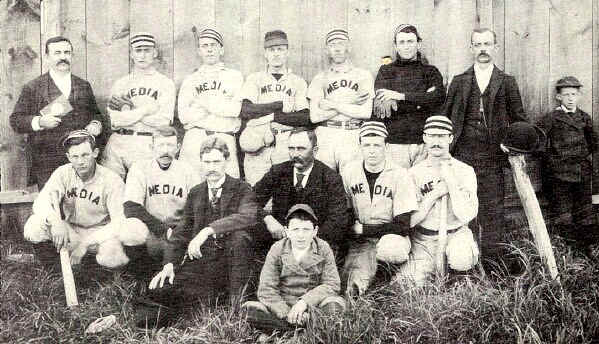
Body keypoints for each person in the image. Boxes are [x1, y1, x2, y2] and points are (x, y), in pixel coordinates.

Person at [135, 137, 257, 328]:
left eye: (216, 161)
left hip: (232, 262)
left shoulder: (242, 188)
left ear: (227, 161)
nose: (211, 167)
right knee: (162, 290)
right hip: (204, 262)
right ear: (201, 162)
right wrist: (169, 264)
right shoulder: (197, 192)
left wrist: (208, 230)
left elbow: (248, 216)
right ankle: (203, 301)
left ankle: (236, 303)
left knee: (240, 237)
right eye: (207, 162)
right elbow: (181, 232)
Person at [439, 28, 527, 270]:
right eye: (477, 44)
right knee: (463, 209)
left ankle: (492, 265)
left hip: (492, 157)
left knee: (492, 210)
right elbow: (445, 118)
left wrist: (509, 145)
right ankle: (463, 263)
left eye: (487, 44)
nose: (483, 49)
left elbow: (519, 120)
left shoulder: (507, 82)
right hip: (463, 156)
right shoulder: (459, 81)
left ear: (495, 47)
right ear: (471, 48)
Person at [23, 130, 127, 270]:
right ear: (68, 157)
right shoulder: (63, 172)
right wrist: (55, 221)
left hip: (98, 233)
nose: (80, 162)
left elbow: (119, 222)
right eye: (75, 156)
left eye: (85, 155)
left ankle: (90, 271)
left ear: (95, 153)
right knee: (33, 226)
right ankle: (56, 270)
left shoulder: (111, 179)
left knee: (113, 256)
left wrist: (85, 245)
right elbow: (41, 202)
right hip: (71, 231)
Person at [10, 36, 106, 188]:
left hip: (80, 158)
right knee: (52, 205)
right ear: (47, 57)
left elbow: (96, 114)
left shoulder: (83, 85)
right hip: (47, 159)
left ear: (72, 56)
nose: (63, 57)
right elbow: (16, 120)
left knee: (82, 202)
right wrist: (40, 122)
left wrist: (96, 124)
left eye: (67, 52)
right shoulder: (33, 87)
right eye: (57, 53)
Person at [396, 116, 479, 286]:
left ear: (450, 138)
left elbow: (466, 215)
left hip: (456, 234)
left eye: (441, 136)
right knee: (405, 286)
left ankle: (458, 278)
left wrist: (452, 183)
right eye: (432, 136)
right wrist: (434, 194)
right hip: (424, 239)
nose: (436, 141)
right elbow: (409, 221)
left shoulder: (465, 171)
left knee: (462, 259)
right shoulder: (413, 173)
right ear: (424, 137)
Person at [341, 122, 418, 295]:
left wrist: (364, 229)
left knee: (391, 250)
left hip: (392, 237)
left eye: (377, 145)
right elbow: (345, 211)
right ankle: (370, 283)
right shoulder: (349, 171)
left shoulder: (400, 174)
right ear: (360, 146)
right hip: (362, 241)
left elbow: (403, 225)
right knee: (350, 285)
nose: (372, 150)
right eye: (367, 145)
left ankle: (387, 275)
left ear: (386, 146)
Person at [243, 204, 345, 334]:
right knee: (250, 310)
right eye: (296, 229)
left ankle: (283, 330)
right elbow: (266, 289)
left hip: (313, 305)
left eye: (306, 229)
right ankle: (302, 327)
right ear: (287, 231)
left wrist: (304, 303)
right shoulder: (277, 249)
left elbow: (332, 284)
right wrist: (286, 313)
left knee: (334, 305)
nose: (301, 235)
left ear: (315, 231)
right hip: (283, 305)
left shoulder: (323, 248)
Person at [253, 127, 348, 254]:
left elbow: (337, 222)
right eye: (291, 148)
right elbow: (249, 199)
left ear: (315, 150)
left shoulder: (330, 178)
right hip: (279, 240)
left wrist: (304, 239)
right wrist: (267, 218)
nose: (295, 154)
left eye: (301, 149)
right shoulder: (278, 172)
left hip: (315, 243)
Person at [121, 126, 199, 280]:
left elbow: (197, 207)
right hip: (152, 230)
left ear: (178, 148)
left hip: (179, 232)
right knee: (129, 229)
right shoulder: (140, 168)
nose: (165, 150)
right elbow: (131, 206)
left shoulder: (188, 170)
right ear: (152, 147)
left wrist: (179, 232)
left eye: (170, 145)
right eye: (161, 145)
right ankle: (141, 277)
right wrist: (162, 229)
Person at [239, 30, 311, 185]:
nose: (276, 54)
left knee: (285, 195)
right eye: (272, 50)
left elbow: (304, 117)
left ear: (287, 52)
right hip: (258, 143)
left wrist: (270, 116)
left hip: (286, 143)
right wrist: (280, 106)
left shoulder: (297, 82)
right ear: (265, 53)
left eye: (280, 49)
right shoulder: (254, 79)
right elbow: (246, 110)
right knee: (257, 195)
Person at [101, 32, 176, 180]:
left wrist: (129, 113)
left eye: (147, 50)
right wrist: (145, 110)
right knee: (111, 188)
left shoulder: (165, 83)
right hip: (118, 141)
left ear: (154, 53)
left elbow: (163, 121)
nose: (142, 55)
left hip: (146, 142)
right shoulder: (121, 83)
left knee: (143, 189)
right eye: (138, 50)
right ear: (131, 54)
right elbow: (116, 121)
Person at [536, 76, 598, 250]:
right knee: (563, 213)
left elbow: (594, 144)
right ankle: (567, 249)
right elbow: (538, 143)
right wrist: (552, 162)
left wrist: (587, 163)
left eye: (574, 94)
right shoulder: (551, 118)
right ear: (558, 97)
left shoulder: (584, 118)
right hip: (559, 175)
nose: (570, 98)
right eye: (566, 95)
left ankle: (587, 249)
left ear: (579, 95)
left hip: (581, 173)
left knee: (585, 212)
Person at [373, 24, 445, 168]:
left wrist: (399, 96)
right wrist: (421, 99)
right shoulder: (386, 71)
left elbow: (437, 98)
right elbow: (383, 105)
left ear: (418, 44)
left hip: (424, 143)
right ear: (395, 46)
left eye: (410, 41)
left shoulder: (430, 71)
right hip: (395, 143)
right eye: (402, 42)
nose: (406, 46)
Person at [178, 28, 244, 181]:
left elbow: (235, 110)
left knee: (228, 191)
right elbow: (183, 116)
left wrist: (203, 103)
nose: (209, 49)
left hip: (224, 137)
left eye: (213, 45)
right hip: (195, 137)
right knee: (192, 189)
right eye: (204, 46)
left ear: (221, 49)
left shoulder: (234, 76)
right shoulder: (191, 79)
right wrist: (219, 106)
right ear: (199, 51)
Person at [307, 29, 375, 173]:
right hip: (326, 134)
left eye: (341, 44)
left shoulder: (363, 75)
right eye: (332, 44)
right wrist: (352, 103)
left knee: (351, 183)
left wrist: (332, 104)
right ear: (327, 50)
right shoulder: (320, 78)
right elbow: (315, 116)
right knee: (324, 184)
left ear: (348, 47)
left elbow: (365, 112)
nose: (337, 48)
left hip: (353, 133)